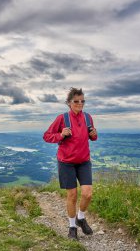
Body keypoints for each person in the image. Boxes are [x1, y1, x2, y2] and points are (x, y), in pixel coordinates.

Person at [43, 87, 98, 240]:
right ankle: (72, 227)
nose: (80, 104)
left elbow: (92, 136)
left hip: (84, 161)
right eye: (76, 101)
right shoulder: (62, 118)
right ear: (69, 103)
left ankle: (81, 218)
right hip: (66, 162)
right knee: (72, 195)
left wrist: (94, 135)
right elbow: (47, 136)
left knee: (87, 193)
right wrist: (61, 135)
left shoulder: (88, 118)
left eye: (82, 101)